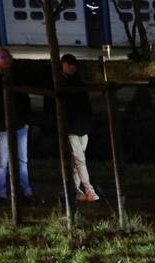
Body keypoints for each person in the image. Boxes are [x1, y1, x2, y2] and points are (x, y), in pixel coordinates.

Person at [0, 47, 33, 205]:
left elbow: (25, 99)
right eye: (3, 57)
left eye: (8, 57)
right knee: (3, 162)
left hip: (19, 124)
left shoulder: (16, 77)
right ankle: (2, 194)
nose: (7, 60)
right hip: (1, 126)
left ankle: (25, 191)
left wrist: (26, 120)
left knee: (22, 160)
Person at [59, 54, 99, 203]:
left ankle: (74, 191)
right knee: (80, 160)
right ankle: (89, 190)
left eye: (73, 64)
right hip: (73, 128)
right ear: (63, 65)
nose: (72, 67)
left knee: (77, 161)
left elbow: (85, 105)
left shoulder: (76, 81)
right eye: (69, 64)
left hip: (81, 127)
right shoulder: (62, 82)